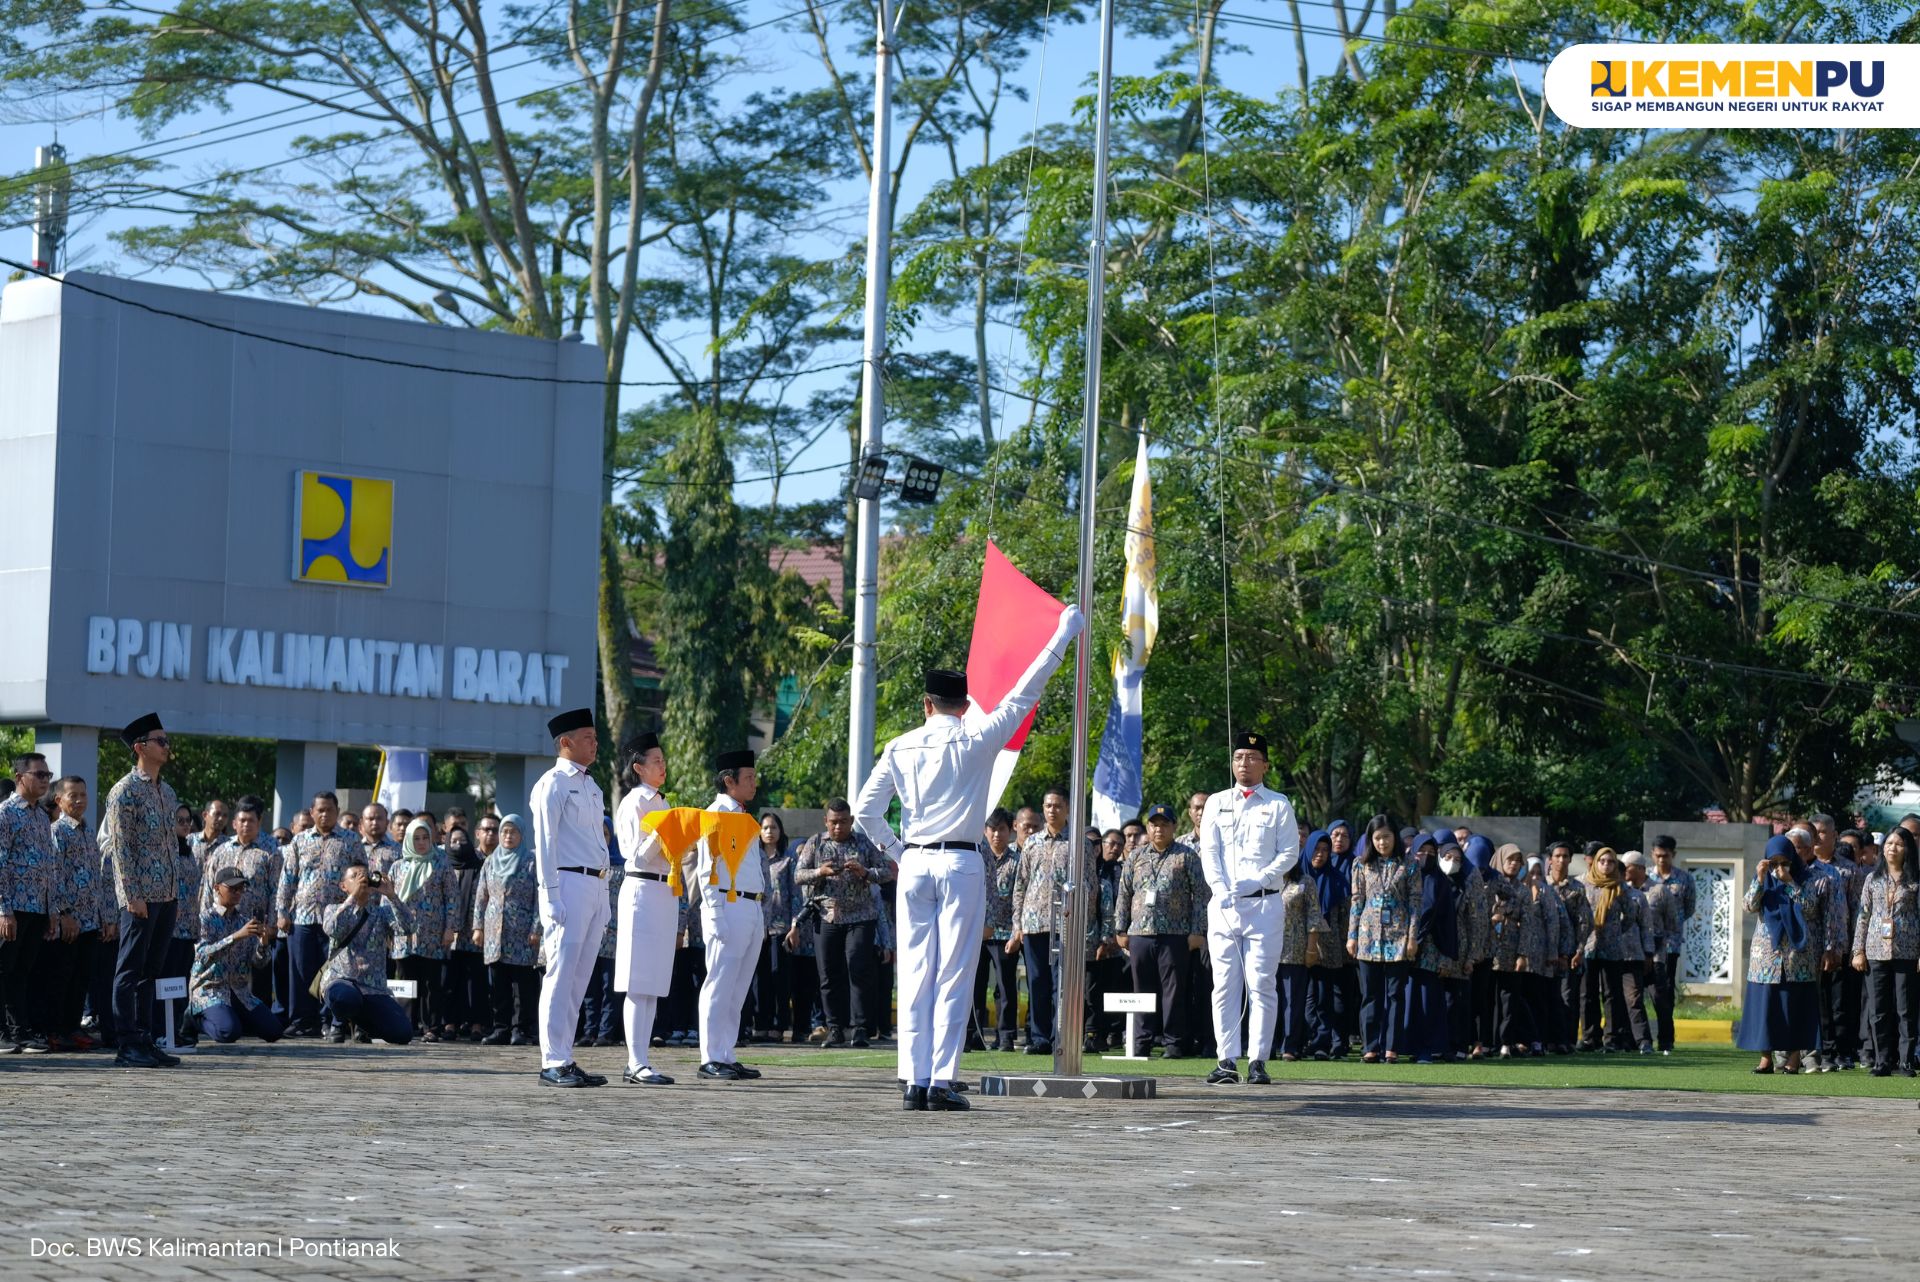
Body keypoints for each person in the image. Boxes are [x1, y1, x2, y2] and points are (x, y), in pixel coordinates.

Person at [854, 606, 1083, 1112]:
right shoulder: (978, 735)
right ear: (964, 705)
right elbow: (1026, 690)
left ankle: (913, 1080)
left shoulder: (901, 745)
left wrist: (897, 851)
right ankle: (941, 1080)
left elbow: (864, 810)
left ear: (926, 704)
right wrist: (1063, 634)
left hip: (915, 861)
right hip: (960, 861)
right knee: (954, 972)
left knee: (915, 972)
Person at [1196, 730, 1300, 1087]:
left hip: (1264, 904)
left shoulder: (1278, 804)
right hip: (1225, 904)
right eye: (1239, 757)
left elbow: (1289, 853)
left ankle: (1258, 1060)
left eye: (1253, 758)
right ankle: (1226, 1060)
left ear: (1265, 765)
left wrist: (1258, 880)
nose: (1245, 764)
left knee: (1261, 984)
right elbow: (1209, 850)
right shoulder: (1217, 802)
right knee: (1224, 984)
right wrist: (1219, 887)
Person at [528, 708, 612, 1089]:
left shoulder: (592, 786)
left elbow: (598, 845)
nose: (595, 744)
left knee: (579, 979)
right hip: (566, 883)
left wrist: (604, 896)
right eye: (588, 737)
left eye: (595, 737)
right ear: (566, 742)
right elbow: (545, 844)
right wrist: (550, 896)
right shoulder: (553, 784)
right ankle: (552, 1060)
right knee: (560, 974)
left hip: (593, 884)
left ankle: (565, 1054)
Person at [682, 749, 773, 1082]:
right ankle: (710, 1056)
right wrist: (715, 913)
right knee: (719, 983)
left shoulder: (744, 815)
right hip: (727, 904)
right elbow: (707, 869)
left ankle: (726, 1053)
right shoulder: (716, 814)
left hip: (750, 905)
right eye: (748, 777)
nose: (754, 783)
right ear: (729, 781)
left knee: (738, 986)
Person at [98, 714, 183, 1069]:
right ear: (140, 747)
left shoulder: (167, 792)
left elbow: (171, 846)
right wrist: (131, 895)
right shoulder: (124, 791)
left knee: (152, 970)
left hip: (167, 894)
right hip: (140, 896)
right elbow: (121, 849)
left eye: (167, 740)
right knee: (129, 970)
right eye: (160, 741)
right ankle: (127, 1043)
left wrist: (176, 891)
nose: (166, 746)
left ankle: (145, 1039)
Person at [794, 798, 895, 1048]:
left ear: (851, 821)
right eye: (833, 822)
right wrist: (820, 872)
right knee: (828, 974)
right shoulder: (816, 843)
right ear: (825, 822)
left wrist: (865, 872)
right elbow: (798, 875)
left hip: (860, 917)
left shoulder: (863, 843)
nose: (838, 827)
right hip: (826, 916)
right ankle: (835, 1028)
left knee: (858, 970)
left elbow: (886, 872)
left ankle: (860, 1028)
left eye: (843, 822)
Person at [1112, 803, 1207, 1058]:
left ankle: (1174, 1042)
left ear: (1174, 827)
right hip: (1140, 932)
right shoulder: (1136, 856)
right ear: (1148, 827)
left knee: (1173, 990)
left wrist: (1198, 930)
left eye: (1164, 825)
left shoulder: (1187, 856)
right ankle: (1141, 1041)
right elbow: (1124, 893)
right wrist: (1120, 928)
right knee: (1141, 989)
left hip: (1175, 934)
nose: (1159, 830)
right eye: (1154, 825)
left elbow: (1201, 895)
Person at [1006, 789, 1094, 1058]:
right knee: (1037, 982)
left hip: (1065, 923)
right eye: (1047, 806)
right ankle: (1039, 1037)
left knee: (1062, 983)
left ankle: (1061, 1037)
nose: (1051, 810)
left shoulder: (1079, 843)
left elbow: (1090, 885)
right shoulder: (1032, 843)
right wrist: (1018, 925)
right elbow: (1021, 885)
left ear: (1067, 809)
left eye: (1056, 806)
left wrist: (1085, 922)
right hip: (1034, 922)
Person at [611, 732, 677, 1085]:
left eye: (664, 760)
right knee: (638, 980)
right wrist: (665, 832)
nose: (663, 766)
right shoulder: (634, 802)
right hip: (641, 888)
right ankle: (635, 1062)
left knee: (653, 982)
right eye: (656, 761)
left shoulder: (662, 803)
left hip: (665, 890)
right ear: (638, 768)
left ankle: (643, 1059)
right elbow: (633, 855)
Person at [1738, 836, 1822, 1074]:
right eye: (1773, 863)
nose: (1779, 868)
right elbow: (1749, 906)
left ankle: (1793, 1059)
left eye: (1784, 862)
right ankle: (1765, 1059)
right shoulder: (1763, 878)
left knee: (1793, 1005)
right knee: (1766, 1006)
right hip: (1767, 956)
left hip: (1797, 955)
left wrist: (1790, 882)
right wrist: (1760, 878)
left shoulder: (1805, 878)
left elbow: (1810, 908)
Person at [276, 791, 357, 1038]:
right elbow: (288, 878)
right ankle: (302, 1020)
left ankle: (328, 1020)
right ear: (312, 812)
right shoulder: (299, 841)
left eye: (329, 809)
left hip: (337, 918)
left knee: (331, 972)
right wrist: (282, 911)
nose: (325, 814)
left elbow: (360, 876)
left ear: (337, 811)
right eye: (320, 810)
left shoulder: (350, 840)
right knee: (301, 971)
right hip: (302, 916)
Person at [0, 752, 60, 1054]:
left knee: (22, 972)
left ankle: (19, 1031)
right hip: (13, 908)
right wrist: (3, 910)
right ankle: (3, 1032)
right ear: (19, 777)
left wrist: (52, 910)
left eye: (48, 775)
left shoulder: (40, 816)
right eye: (39, 774)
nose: (45, 780)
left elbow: (49, 866)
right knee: (3, 970)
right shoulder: (5, 814)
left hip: (37, 907)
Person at [319, 861, 414, 1045]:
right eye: (355, 876)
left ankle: (363, 1025)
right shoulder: (333, 909)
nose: (362, 880)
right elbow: (332, 929)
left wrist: (391, 895)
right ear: (343, 886)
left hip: (373, 988)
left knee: (402, 1033)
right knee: (345, 998)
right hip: (341, 980)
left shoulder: (382, 913)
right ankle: (338, 1022)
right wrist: (354, 896)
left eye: (365, 876)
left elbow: (409, 927)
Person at [1348, 815, 1415, 1064]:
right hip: (1368, 937)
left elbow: (1415, 902)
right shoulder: (1361, 864)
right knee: (1370, 994)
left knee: (1395, 994)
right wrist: (1352, 936)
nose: (1382, 842)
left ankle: (1392, 1048)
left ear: (1395, 837)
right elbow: (1356, 901)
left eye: (1386, 837)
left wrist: (1412, 937)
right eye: (1377, 838)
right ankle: (1370, 1047)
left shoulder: (1409, 864)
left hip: (1398, 936)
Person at [188, 868, 284, 1044]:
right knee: (228, 1032)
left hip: (240, 992)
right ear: (217, 888)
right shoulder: (204, 919)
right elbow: (202, 956)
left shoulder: (244, 922)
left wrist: (263, 944)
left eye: (241, 888)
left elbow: (259, 963)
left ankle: (235, 1018)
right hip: (211, 990)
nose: (238, 893)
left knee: (274, 1031)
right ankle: (194, 1019)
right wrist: (236, 937)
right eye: (233, 888)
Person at [1852, 826, 1919, 1077]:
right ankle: (1882, 1061)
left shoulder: (1916, 879)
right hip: (1875, 950)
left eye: (1899, 844)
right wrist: (1858, 951)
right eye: (1889, 843)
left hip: (1907, 951)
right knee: (1878, 1009)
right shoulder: (1873, 878)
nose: (1893, 848)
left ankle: (1906, 1061)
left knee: (1905, 1009)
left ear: (1907, 849)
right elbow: (1863, 916)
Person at [46, 777, 106, 1052]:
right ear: (59, 800)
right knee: (62, 977)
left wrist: (103, 916)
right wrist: (64, 913)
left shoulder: (87, 832)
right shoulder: (56, 832)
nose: (80, 800)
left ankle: (72, 1027)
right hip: (68, 921)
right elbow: (53, 875)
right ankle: (55, 1030)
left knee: (81, 978)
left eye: (84, 794)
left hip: (90, 920)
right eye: (74, 795)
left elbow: (95, 877)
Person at [476, 815, 543, 1048]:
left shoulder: (531, 862)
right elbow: (481, 896)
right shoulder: (491, 862)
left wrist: (536, 928)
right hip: (495, 933)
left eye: (513, 832)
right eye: (504, 831)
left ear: (522, 835)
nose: (508, 836)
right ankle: (501, 1028)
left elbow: (540, 898)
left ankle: (521, 1029)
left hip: (522, 932)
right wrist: (478, 927)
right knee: (499, 983)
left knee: (523, 985)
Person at [209, 798, 282, 1011]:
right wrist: (207, 916)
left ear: (259, 823)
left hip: (255, 924)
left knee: (258, 975)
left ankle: (258, 1017)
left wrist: (272, 924)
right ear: (234, 823)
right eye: (242, 820)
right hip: (223, 924)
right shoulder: (222, 850)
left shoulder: (271, 850)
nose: (246, 825)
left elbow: (276, 889)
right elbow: (209, 886)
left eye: (251, 821)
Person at [390, 818, 456, 1041]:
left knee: (431, 983)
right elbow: (388, 900)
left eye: (425, 837)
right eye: (416, 838)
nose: (421, 842)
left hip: (432, 933)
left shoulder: (441, 864)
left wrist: (450, 929)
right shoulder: (398, 866)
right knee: (406, 981)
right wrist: (388, 929)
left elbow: (452, 898)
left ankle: (431, 1027)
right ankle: (406, 1025)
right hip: (403, 935)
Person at [1273, 837, 1331, 1062]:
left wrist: (1311, 949)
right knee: (1269, 1000)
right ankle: (1267, 1045)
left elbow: (1314, 917)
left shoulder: (1305, 882)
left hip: (1295, 951)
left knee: (1293, 1002)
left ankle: (1290, 1045)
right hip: (1267, 950)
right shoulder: (1266, 882)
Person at [974, 807, 1022, 1052]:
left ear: (1010, 831)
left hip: (1005, 934)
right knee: (975, 985)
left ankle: (1005, 1036)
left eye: (1001, 829)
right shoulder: (976, 858)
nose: (996, 835)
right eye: (992, 829)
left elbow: (1019, 899)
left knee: (1005, 987)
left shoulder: (1016, 862)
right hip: (977, 933)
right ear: (984, 830)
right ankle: (974, 1034)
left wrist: (1016, 933)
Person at [1302, 829, 1352, 1060]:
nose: (1320, 854)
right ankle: (1304, 1039)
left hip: (1330, 950)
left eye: (1325, 850)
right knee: (1304, 997)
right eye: (1316, 849)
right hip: (1299, 947)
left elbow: (1344, 917)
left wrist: (1343, 947)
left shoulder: (1337, 879)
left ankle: (1323, 1041)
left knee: (1324, 997)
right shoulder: (1297, 877)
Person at [445, 816, 492, 1039]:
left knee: (476, 981)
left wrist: (479, 927)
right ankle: (450, 1023)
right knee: (450, 979)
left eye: (462, 841)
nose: (458, 845)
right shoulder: (443, 865)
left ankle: (476, 1024)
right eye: (453, 841)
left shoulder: (480, 864)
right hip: (449, 934)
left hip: (473, 932)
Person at [1545, 841, 1591, 1054]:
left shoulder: (1577, 888)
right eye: (1557, 856)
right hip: (1544, 951)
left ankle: (1566, 1040)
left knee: (1567, 996)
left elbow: (1585, 922)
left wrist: (1579, 950)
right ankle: (1546, 1040)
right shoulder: (1541, 885)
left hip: (1568, 952)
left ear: (1571, 859)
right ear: (1550, 859)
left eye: (1565, 856)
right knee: (1546, 995)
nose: (1561, 860)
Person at [360, 803, 401, 877]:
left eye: (379, 819)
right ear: (362, 822)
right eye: (370, 819)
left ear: (387, 822)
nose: (375, 823)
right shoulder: (355, 848)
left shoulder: (398, 849)